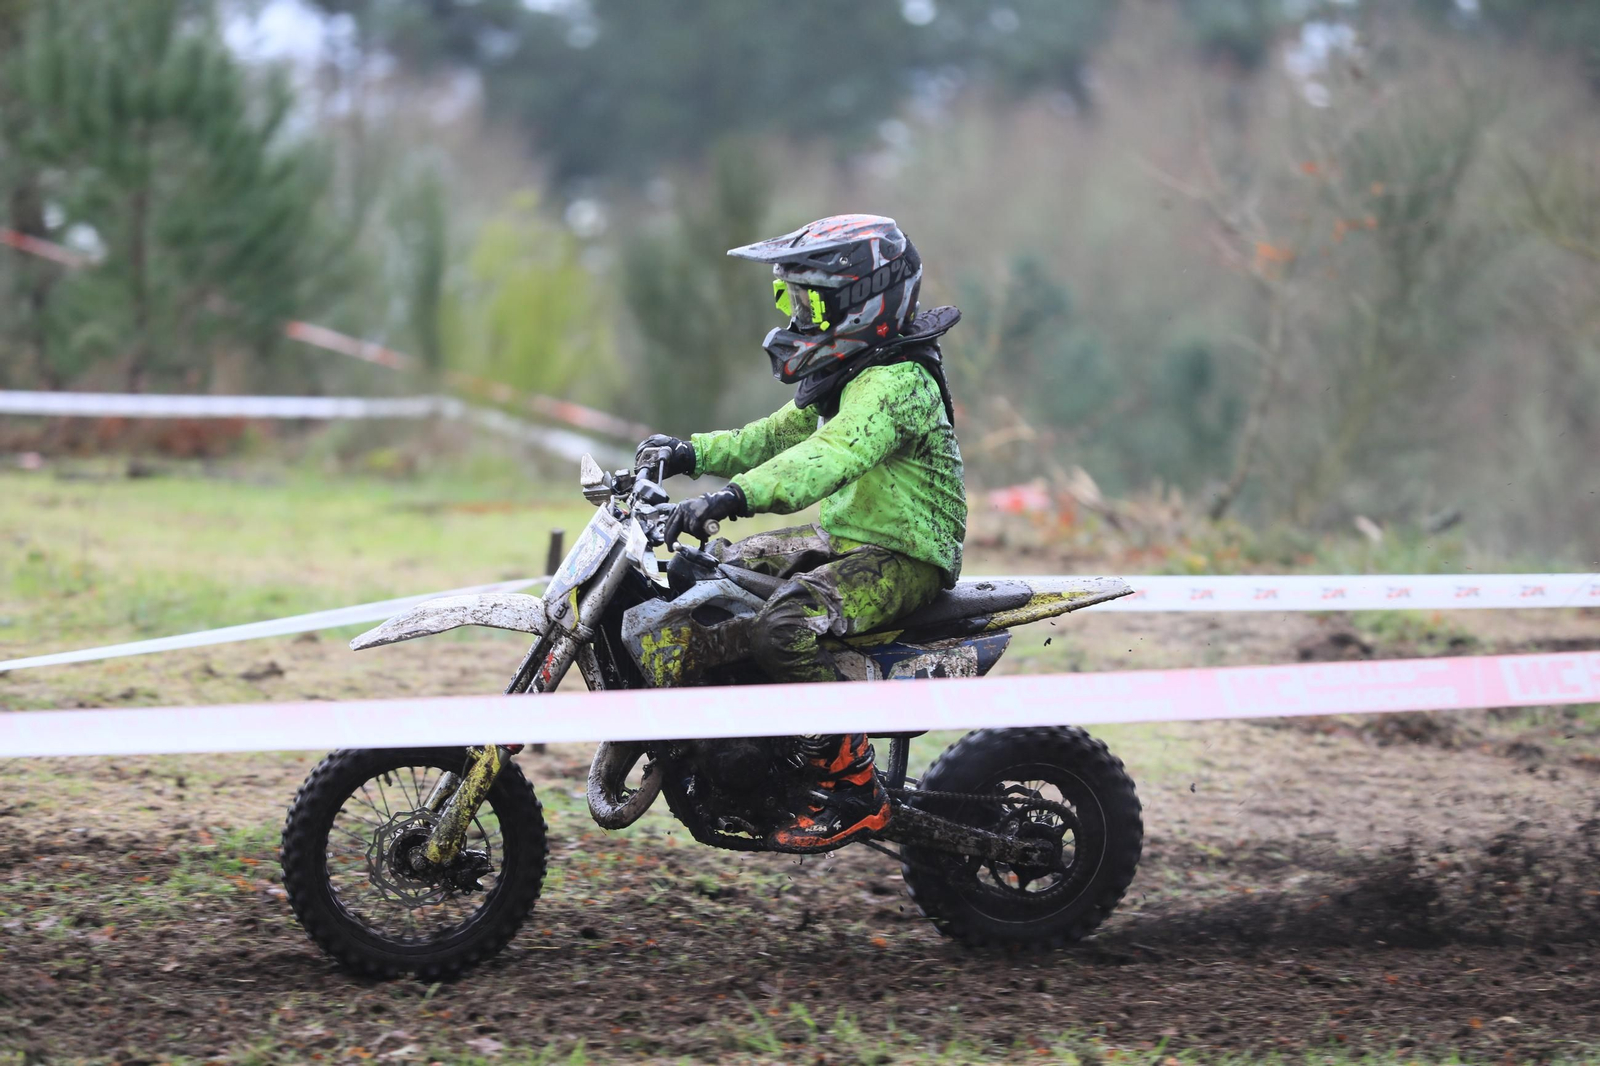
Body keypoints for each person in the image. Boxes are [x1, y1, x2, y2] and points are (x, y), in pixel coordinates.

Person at [634, 214, 966, 853]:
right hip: (849, 540)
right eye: (790, 299)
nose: (797, 317)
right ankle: (753, 738)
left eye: (809, 301)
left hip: (906, 558)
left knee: (784, 628)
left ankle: (851, 781)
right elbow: (769, 438)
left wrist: (732, 496)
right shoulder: (853, 372)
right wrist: (686, 454)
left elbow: (824, 459)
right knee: (719, 570)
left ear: (860, 303)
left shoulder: (898, 382)